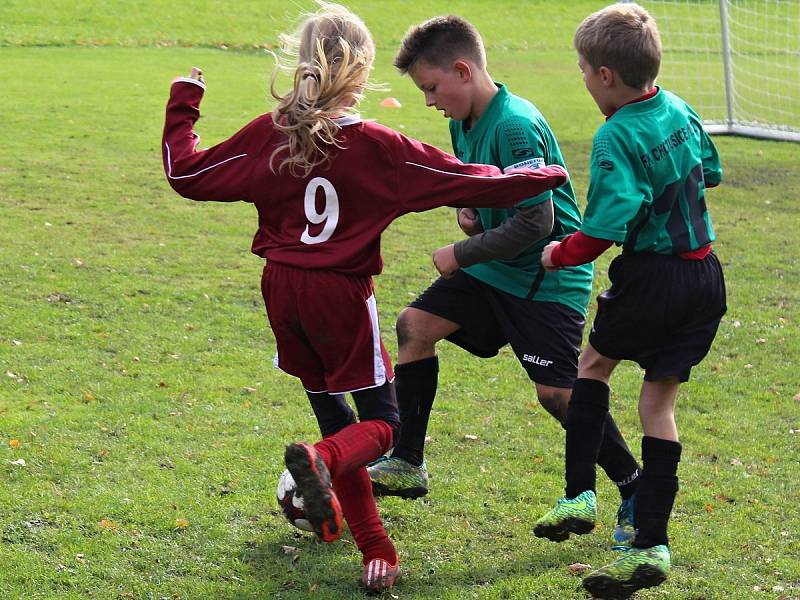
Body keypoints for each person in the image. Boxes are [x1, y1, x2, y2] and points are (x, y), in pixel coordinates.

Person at [161, 3, 570, 593]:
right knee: (380, 423)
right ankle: (320, 463)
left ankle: (374, 545)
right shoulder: (380, 146)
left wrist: (184, 102)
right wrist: (544, 176)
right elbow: (467, 178)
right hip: (340, 295)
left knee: (335, 413)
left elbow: (186, 174)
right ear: (360, 72)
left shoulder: (267, 134)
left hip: (280, 289)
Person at [366, 14, 642, 549]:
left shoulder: (515, 123)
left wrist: (461, 252)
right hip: (496, 271)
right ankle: (407, 461)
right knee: (415, 326)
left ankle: (635, 486)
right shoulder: (463, 120)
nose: (428, 101)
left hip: (546, 276)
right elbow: (484, 190)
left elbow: (536, 223)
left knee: (559, 395)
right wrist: (469, 211)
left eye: (431, 87)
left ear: (463, 70)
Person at [534, 3, 727, 598]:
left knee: (590, 368)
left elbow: (605, 226)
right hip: (705, 279)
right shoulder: (678, 107)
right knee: (657, 407)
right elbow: (711, 171)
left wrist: (560, 253)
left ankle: (579, 497)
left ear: (606, 77)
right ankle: (651, 542)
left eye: (584, 70)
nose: (584, 78)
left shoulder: (616, 132)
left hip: (652, 279)